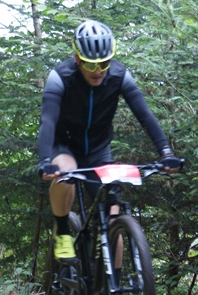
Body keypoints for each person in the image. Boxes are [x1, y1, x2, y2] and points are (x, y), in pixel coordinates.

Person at [37, 19, 183, 262]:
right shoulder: (60, 77)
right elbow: (48, 122)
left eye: (103, 63)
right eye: (90, 64)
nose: (97, 71)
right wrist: (44, 160)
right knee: (65, 172)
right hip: (65, 145)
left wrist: (166, 152)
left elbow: (145, 116)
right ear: (77, 59)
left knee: (113, 220)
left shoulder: (119, 75)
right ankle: (62, 230)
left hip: (97, 149)